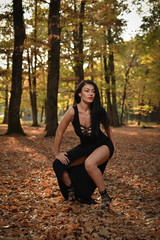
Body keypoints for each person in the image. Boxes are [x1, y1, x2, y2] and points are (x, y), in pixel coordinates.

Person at [53, 80, 116, 210]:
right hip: (85, 147)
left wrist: (113, 148)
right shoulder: (72, 111)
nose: (91, 94)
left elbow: (108, 129)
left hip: (102, 145)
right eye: (87, 90)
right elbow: (59, 131)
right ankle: (72, 191)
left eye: (93, 91)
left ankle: (105, 197)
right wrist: (57, 153)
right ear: (80, 94)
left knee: (89, 164)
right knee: (58, 164)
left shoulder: (98, 110)